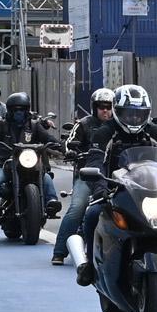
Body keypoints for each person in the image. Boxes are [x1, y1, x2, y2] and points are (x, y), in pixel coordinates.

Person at [75, 84, 157, 286]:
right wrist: (100, 187)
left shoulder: (156, 133)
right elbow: (95, 162)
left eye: (139, 114)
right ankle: (90, 264)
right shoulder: (104, 133)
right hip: (115, 190)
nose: (134, 119)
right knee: (91, 215)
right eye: (128, 113)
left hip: (151, 191)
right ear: (117, 111)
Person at [51, 89, 118, 265]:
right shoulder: (84, 124)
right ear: (94, 107)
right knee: (77, 208)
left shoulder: (120, 126)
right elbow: (67, 142)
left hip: (115, 177)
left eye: (109, 107)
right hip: (88, 175)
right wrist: (70, 151)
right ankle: (59, 251)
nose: (105, 111)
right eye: (101, 107)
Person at [0, 92, 62, 220]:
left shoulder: (34, 125)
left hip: (31, 163)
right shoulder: (2, 125)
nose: (19, 113)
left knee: (45, 177)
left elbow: (47, 137)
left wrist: (59, 145)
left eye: (22, 110)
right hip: (6, 163)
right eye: (15, 110)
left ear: (27, 110)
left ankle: (51, 202)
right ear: (10, 111)